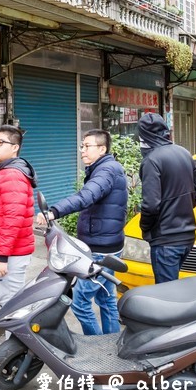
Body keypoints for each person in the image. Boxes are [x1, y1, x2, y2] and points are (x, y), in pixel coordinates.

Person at [48, 129, 127, 335]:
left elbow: (86, 196)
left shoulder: (106, 171)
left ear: (102, 149)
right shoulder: (104, 168)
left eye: (87, 146)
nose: (82, 150)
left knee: (80, 302)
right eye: (82, 146)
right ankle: (112, 343)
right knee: (106, 298)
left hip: (101, 250)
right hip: (107, 244)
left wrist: (54, 211)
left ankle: (96, 347)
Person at [137, 113, 196, 284]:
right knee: (174, 290)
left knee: (167, 296)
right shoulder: (184, 153)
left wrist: (145, 226)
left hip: (165, 239)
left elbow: (151, 205)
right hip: (187, 235)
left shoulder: (152, 160)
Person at [0, 125, 37, 311]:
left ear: (15, 148)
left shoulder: (12, 175)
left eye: (1, 142)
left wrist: (2, 257)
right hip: (7, 251)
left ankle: (19, 341)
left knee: (12, 309)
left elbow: (13, 219)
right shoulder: (8, 173)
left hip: (9, 254)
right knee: (12, 306)